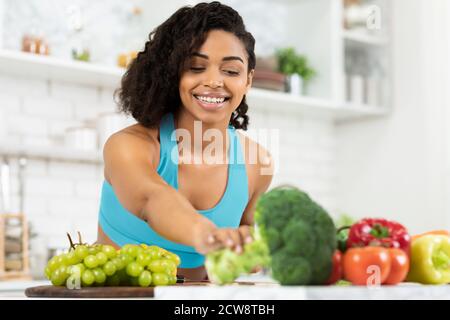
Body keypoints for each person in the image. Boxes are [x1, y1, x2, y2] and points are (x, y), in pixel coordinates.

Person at [97, 1, 273, 281]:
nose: (214, 81)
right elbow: (152, 199)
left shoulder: (257, 163)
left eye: (230, 71)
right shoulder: (130, 146)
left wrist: (250, 247)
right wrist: (208, 235)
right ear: (173, 73)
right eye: (196, 67)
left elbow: (248, 234)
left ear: (248, 80)